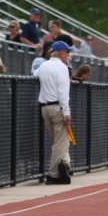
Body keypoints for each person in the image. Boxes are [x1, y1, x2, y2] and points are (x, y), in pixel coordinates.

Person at [36, 40, 73, 185]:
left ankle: (65, 164)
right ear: (59, 52)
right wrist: (67, 112)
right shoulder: (62, 67)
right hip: (57, 107)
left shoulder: (43, 66)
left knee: (59, 142)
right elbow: (63, 92)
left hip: (44, 108)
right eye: (67, 52)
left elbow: (35, 74)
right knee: (60, 143)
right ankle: (53, 174)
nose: (68, 55)